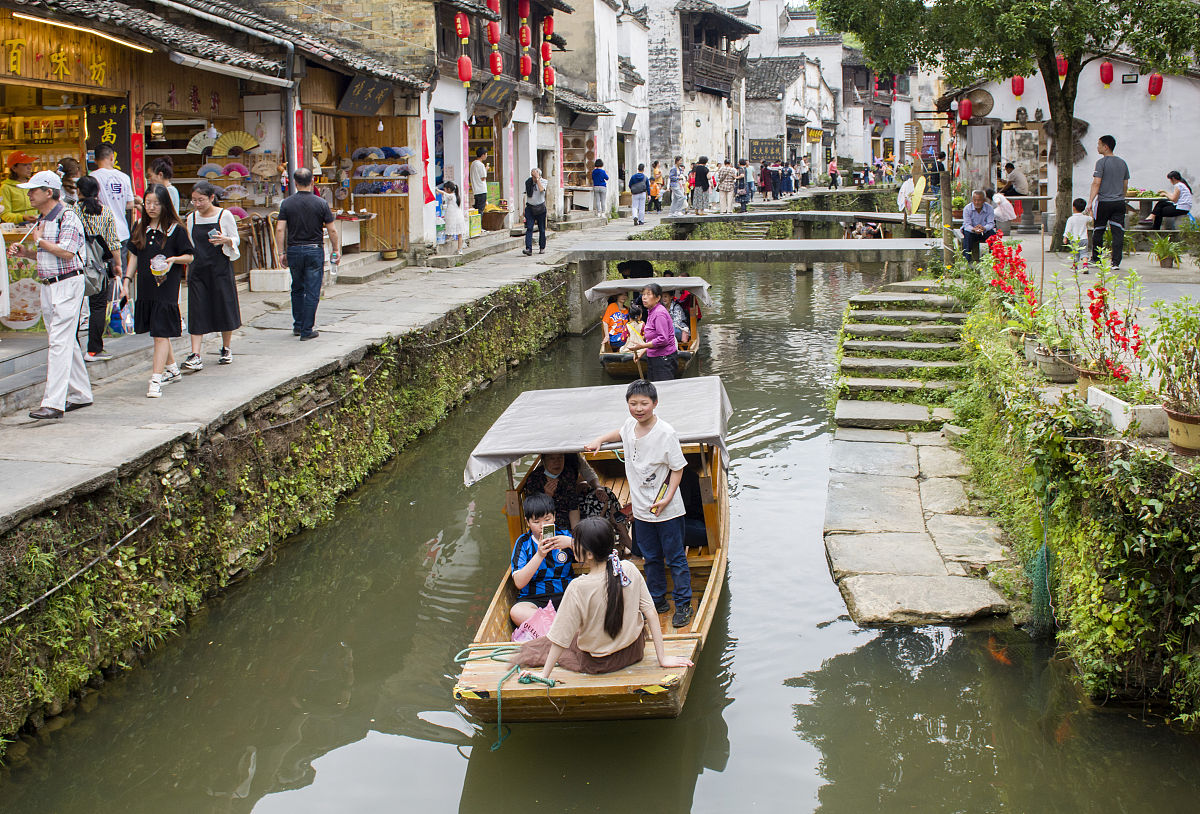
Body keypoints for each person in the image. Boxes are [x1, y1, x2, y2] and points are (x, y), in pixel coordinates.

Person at [514, 516, 695, 677]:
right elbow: (651, 613)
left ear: (590, 554)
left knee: (547, 645)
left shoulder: (577, 587)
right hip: (634, 651)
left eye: (575, 542)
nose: (572, 544)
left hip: (598, 663)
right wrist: (662, 658)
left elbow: (560, 639)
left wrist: (544, 675)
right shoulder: (628, 568)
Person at [585, 379, 692, 627]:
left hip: (667, 510)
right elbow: (618, 432)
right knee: (650, 557)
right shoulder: (630, 425)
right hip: (643, 512)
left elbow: (678, 469)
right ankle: (657, 600)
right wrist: (600, 440)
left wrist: (667, 498)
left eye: (644, 403)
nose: (638, 408)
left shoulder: (665, 433)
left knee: (676, 557)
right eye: (633, 404)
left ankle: (683, 604)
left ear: (655, 404)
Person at [8, 171, 91, 419]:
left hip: (66, 284)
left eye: (34, 190)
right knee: (63, 339)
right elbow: (48, 254)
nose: (29, 194)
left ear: (49, 192)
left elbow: (67, 252)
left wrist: (40, 242)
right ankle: (81, 393)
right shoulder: (42, 220)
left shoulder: (68, 217)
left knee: (58, 341)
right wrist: (26, 251)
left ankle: (54, 402)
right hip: (49, 284)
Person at [121, 184, 193, 398]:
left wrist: (173, 260)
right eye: (148, 203)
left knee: (160, 332)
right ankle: (172, 368)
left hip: (166, 284)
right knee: (157, 329)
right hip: (145, 284)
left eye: (156, 203)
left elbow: (189, 255)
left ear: (165, 205)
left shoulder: (175, 229)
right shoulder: (140, 226)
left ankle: (155, 378)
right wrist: (126, 280)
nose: (151, 207)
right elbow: (133, 256)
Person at [182, 180, 241, 371]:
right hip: (198, 269)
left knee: (224, 305)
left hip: (220, 268)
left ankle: (226, 348)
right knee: (197, 309)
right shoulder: (192, 218)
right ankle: (195, 353)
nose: (197, 204)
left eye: (201, 200)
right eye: (194, 200)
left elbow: (236, 239)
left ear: (212, 198)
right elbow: (190, 243)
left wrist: (227, 240)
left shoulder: (225, 215)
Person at [275, 168, 340, 341]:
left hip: (294, 250)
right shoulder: (321, 203)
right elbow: (332, 230)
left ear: (295, 183)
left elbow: (280, 229)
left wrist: (281, 252)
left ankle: (298, 325)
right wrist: (336, 250)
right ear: (312, 182)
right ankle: (307, 329)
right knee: (312, 290)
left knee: (297, 287)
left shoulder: (287, 204)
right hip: (313, 249)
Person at [73, 176, 122, 363]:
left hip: (76, 265)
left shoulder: (72, 211)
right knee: (98, 306)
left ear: (79, 191)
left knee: (75, 307)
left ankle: (74, 349)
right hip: (99, 267)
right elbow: (113, 242)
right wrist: (117, 265)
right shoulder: (106, 212)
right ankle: (94, 350)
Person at [508, 492, 576, 626]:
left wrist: (572, 543)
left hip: (566, 594)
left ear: (554, 517)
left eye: (547, 519)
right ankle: (563, 626)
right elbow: (519, 583)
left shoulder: (565, 536)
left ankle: (550, 626)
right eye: (536, 522)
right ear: (527, 522)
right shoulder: (524, 543)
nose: (542, 526)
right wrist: (539, 555)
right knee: (517, 612)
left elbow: (593, 557)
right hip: (535, 599)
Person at [1087, 135, 1129, 269]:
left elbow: (1096, 183)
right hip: (1119, 202)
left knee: (1099, 230)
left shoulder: (1101, 163)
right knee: (1118, 232)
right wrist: (1122, 196)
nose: (1097, 147)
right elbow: (1125, 184)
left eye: (1099, 145)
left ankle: (1096, 259)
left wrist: (1090, 201)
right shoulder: (1122, 163)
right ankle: (1115, 262)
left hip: (1104, 202)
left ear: (1106, 147)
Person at [622, 282, 677, 381]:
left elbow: (663, 339)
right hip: (654, 356)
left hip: (663, 358)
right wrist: (642, 352)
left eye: (648, 294)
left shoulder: (659, 313)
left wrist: (642, 346)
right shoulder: (651, 311)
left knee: (663, 389)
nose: (644, 297)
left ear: (657, 298)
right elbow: (653, 337)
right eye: (643, 294)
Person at [90, 145, 136, 254]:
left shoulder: (92, 177)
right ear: (112, 157)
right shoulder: (124, 177)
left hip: (101, 232)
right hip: (122, 231)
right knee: (122, 268)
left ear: (95, 160)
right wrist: (118, 203)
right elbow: (130, 204)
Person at [2, 151, 39, 223]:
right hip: (17, 228)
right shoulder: (6, 188)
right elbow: (4, 214)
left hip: (37, 224)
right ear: (14, 168)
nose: (29, 167)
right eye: (25, 165)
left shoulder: (35, 185)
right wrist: (22, 218)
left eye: (30, 164)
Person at [960, 189, 996, 259]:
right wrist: (974, 229)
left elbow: (991, 223)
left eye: (979, 200)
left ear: (984, 200)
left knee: (993, 235)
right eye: (975, 200)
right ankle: (967, 260)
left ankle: (993, 258)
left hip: (984, 231)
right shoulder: (967, 208)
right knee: (967, 235)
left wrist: (984, 228)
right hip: (971, 231)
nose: (977, 202)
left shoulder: (989, 208)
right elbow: (967, 224)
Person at [522, 167, 548, 255]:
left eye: (535, 176)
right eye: (532, 176)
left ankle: (542, 247)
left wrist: (537, 179)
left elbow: (541, 189)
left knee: (542, 229)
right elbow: (525, 195)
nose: (533, 178)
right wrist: (523, 209)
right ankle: (528, 248)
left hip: (540, 208)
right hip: (530, 208)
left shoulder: (543, 181)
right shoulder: (528, 182)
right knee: (529, 228)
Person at [1064, 197, 1092, 270]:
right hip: (1084, 239)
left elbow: (1068, 229)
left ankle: (1075, 266)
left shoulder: (1071, 219)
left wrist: (1065, 238)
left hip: (1074, 240)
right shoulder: (1085, 218)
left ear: (1073, 207)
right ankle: (1085, 265)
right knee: (1084, 253)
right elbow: (1091, 219)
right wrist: (1090, 211)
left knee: (1075, 253)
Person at [441, 181, 466, 255]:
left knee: (452, 231)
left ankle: (457, 248)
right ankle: (459, 249)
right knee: (459, 234)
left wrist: (436, 190)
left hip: (454, 217)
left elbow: (445, 194)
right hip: (458, 217)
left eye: (444, 189)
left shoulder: (451, 196)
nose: (444, 190)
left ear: (448, 189)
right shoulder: (456, 195)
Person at [469, 146, 489, 214]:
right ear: (483, 155)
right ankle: (478, 224)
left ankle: (476, 224)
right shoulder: (480, 165)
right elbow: (483, 178)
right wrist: (486, 170)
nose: (486, 156)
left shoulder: (473, 164)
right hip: (481, 190)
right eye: (486, 154)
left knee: (476, 210)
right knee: (480, 210)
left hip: (476, 190)